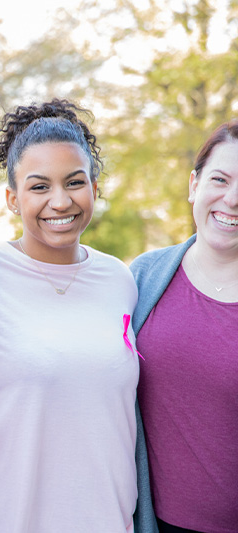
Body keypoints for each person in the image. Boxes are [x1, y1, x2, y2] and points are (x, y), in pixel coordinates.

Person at [0, 100, 145, 532]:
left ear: (94, 187)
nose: (60, 201)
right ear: (12, 199)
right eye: (39, 187)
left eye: (74, 182)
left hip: (104, 519)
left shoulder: (119, 279)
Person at [130, 121, 238, 533]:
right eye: (220, 179)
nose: (232, 199)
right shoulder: (142, 278)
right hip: (153, 523)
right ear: (194, 184)